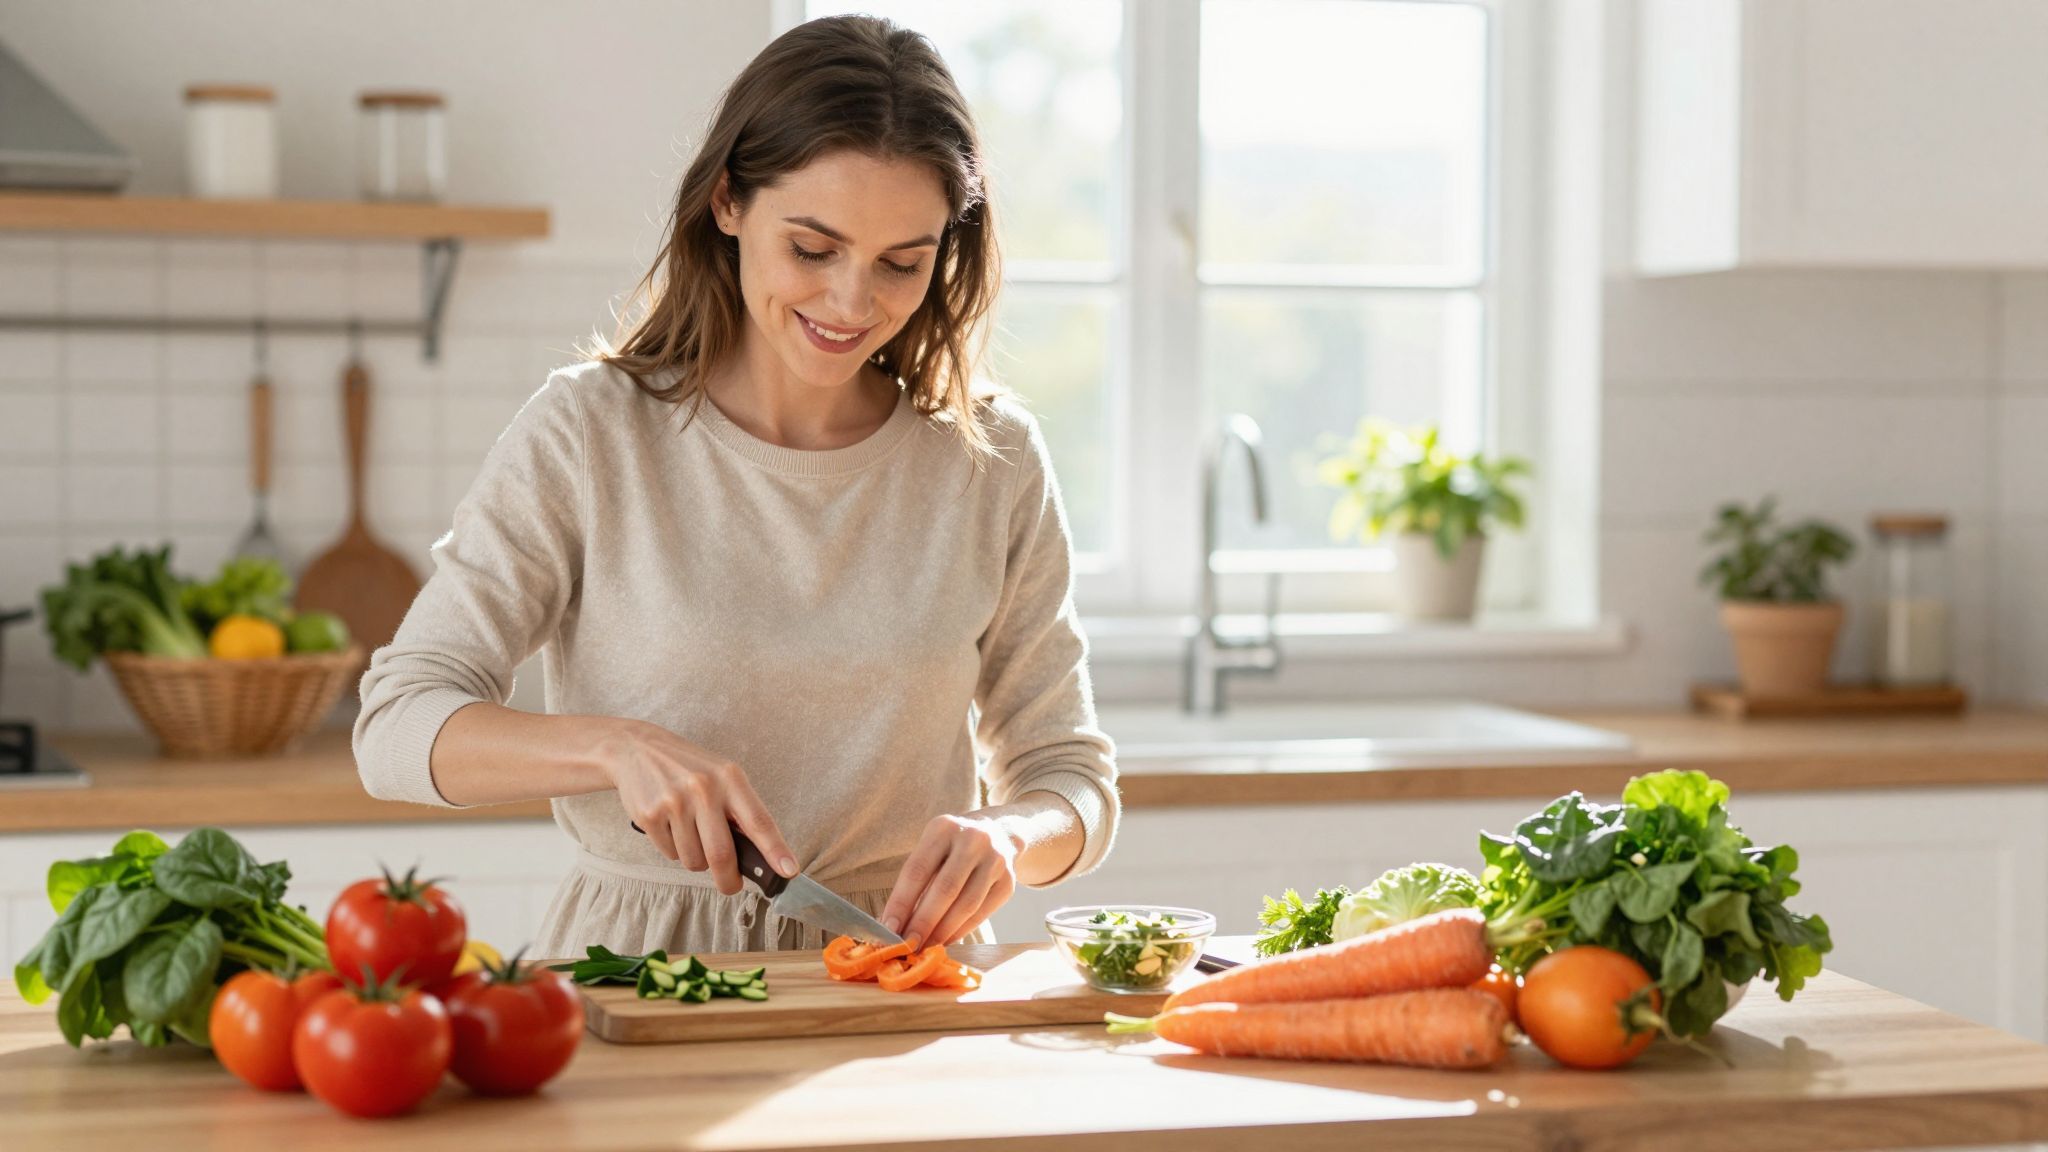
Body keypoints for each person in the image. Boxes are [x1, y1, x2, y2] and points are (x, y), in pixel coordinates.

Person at [352, 14, 1118, 958]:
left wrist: (1012, 836)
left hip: (900, 982)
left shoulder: (989, 460)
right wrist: (612, 748)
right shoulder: (593, 433)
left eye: (901, 264)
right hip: (644, 979)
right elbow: (395, 727)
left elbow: (1070, 777)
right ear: (727, 203)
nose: (850, 303)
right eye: (813, 248)